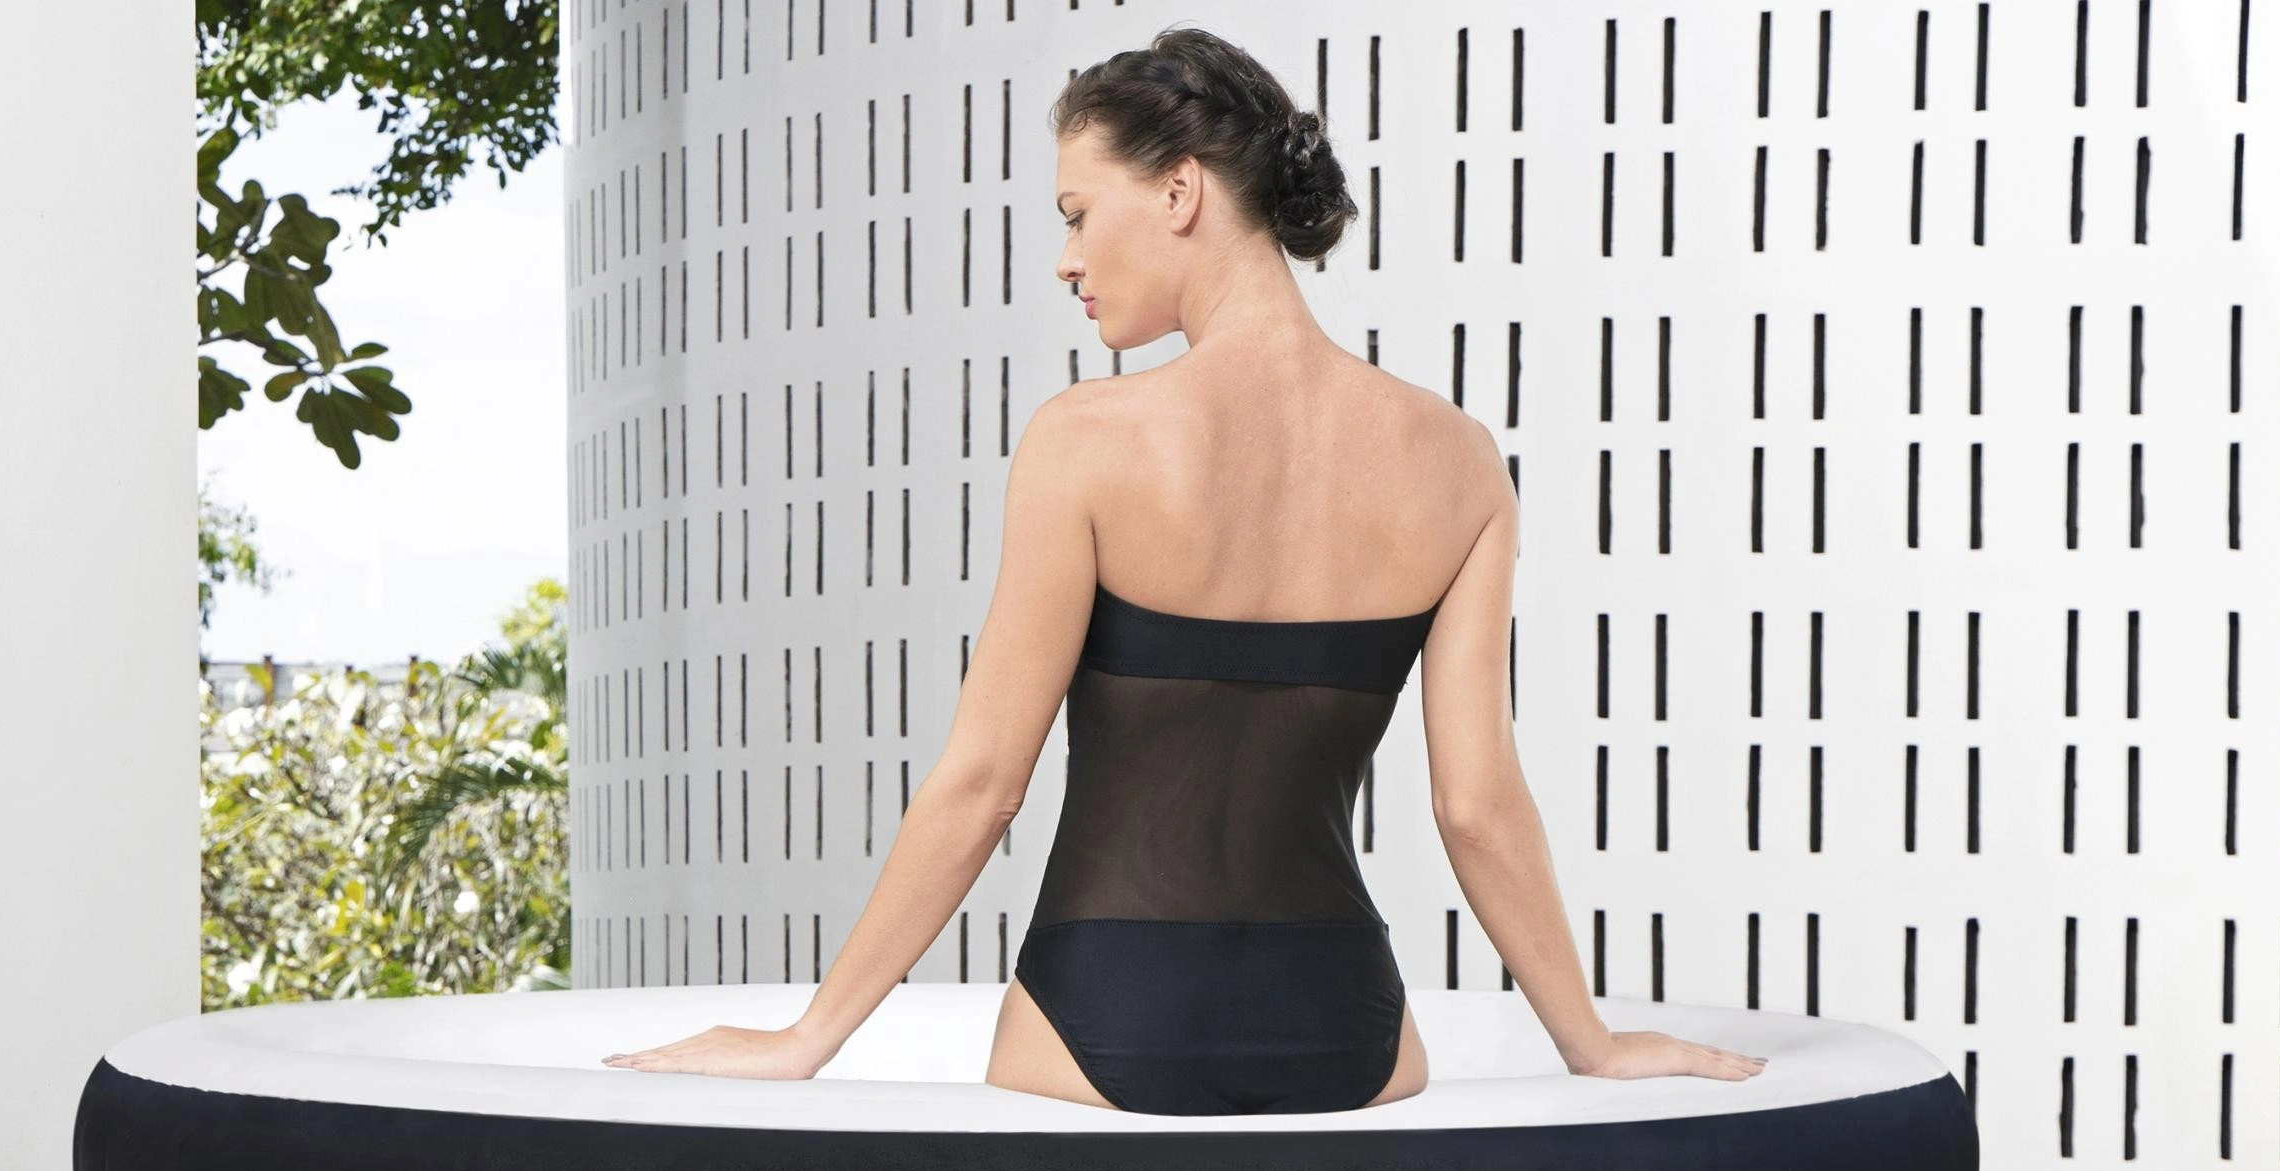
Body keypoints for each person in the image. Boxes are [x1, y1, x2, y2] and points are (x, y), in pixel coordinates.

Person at [603, 25, 1761, 1112]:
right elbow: (1478, 804)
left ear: (1178, 189)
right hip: (1352, 1029)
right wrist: (1592, 1046)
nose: (1065, 260)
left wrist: (808, 1038)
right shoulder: (1460, 463)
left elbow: (982, 779)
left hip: (1097, 1023)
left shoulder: (1085, 441)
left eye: (1075, 212)